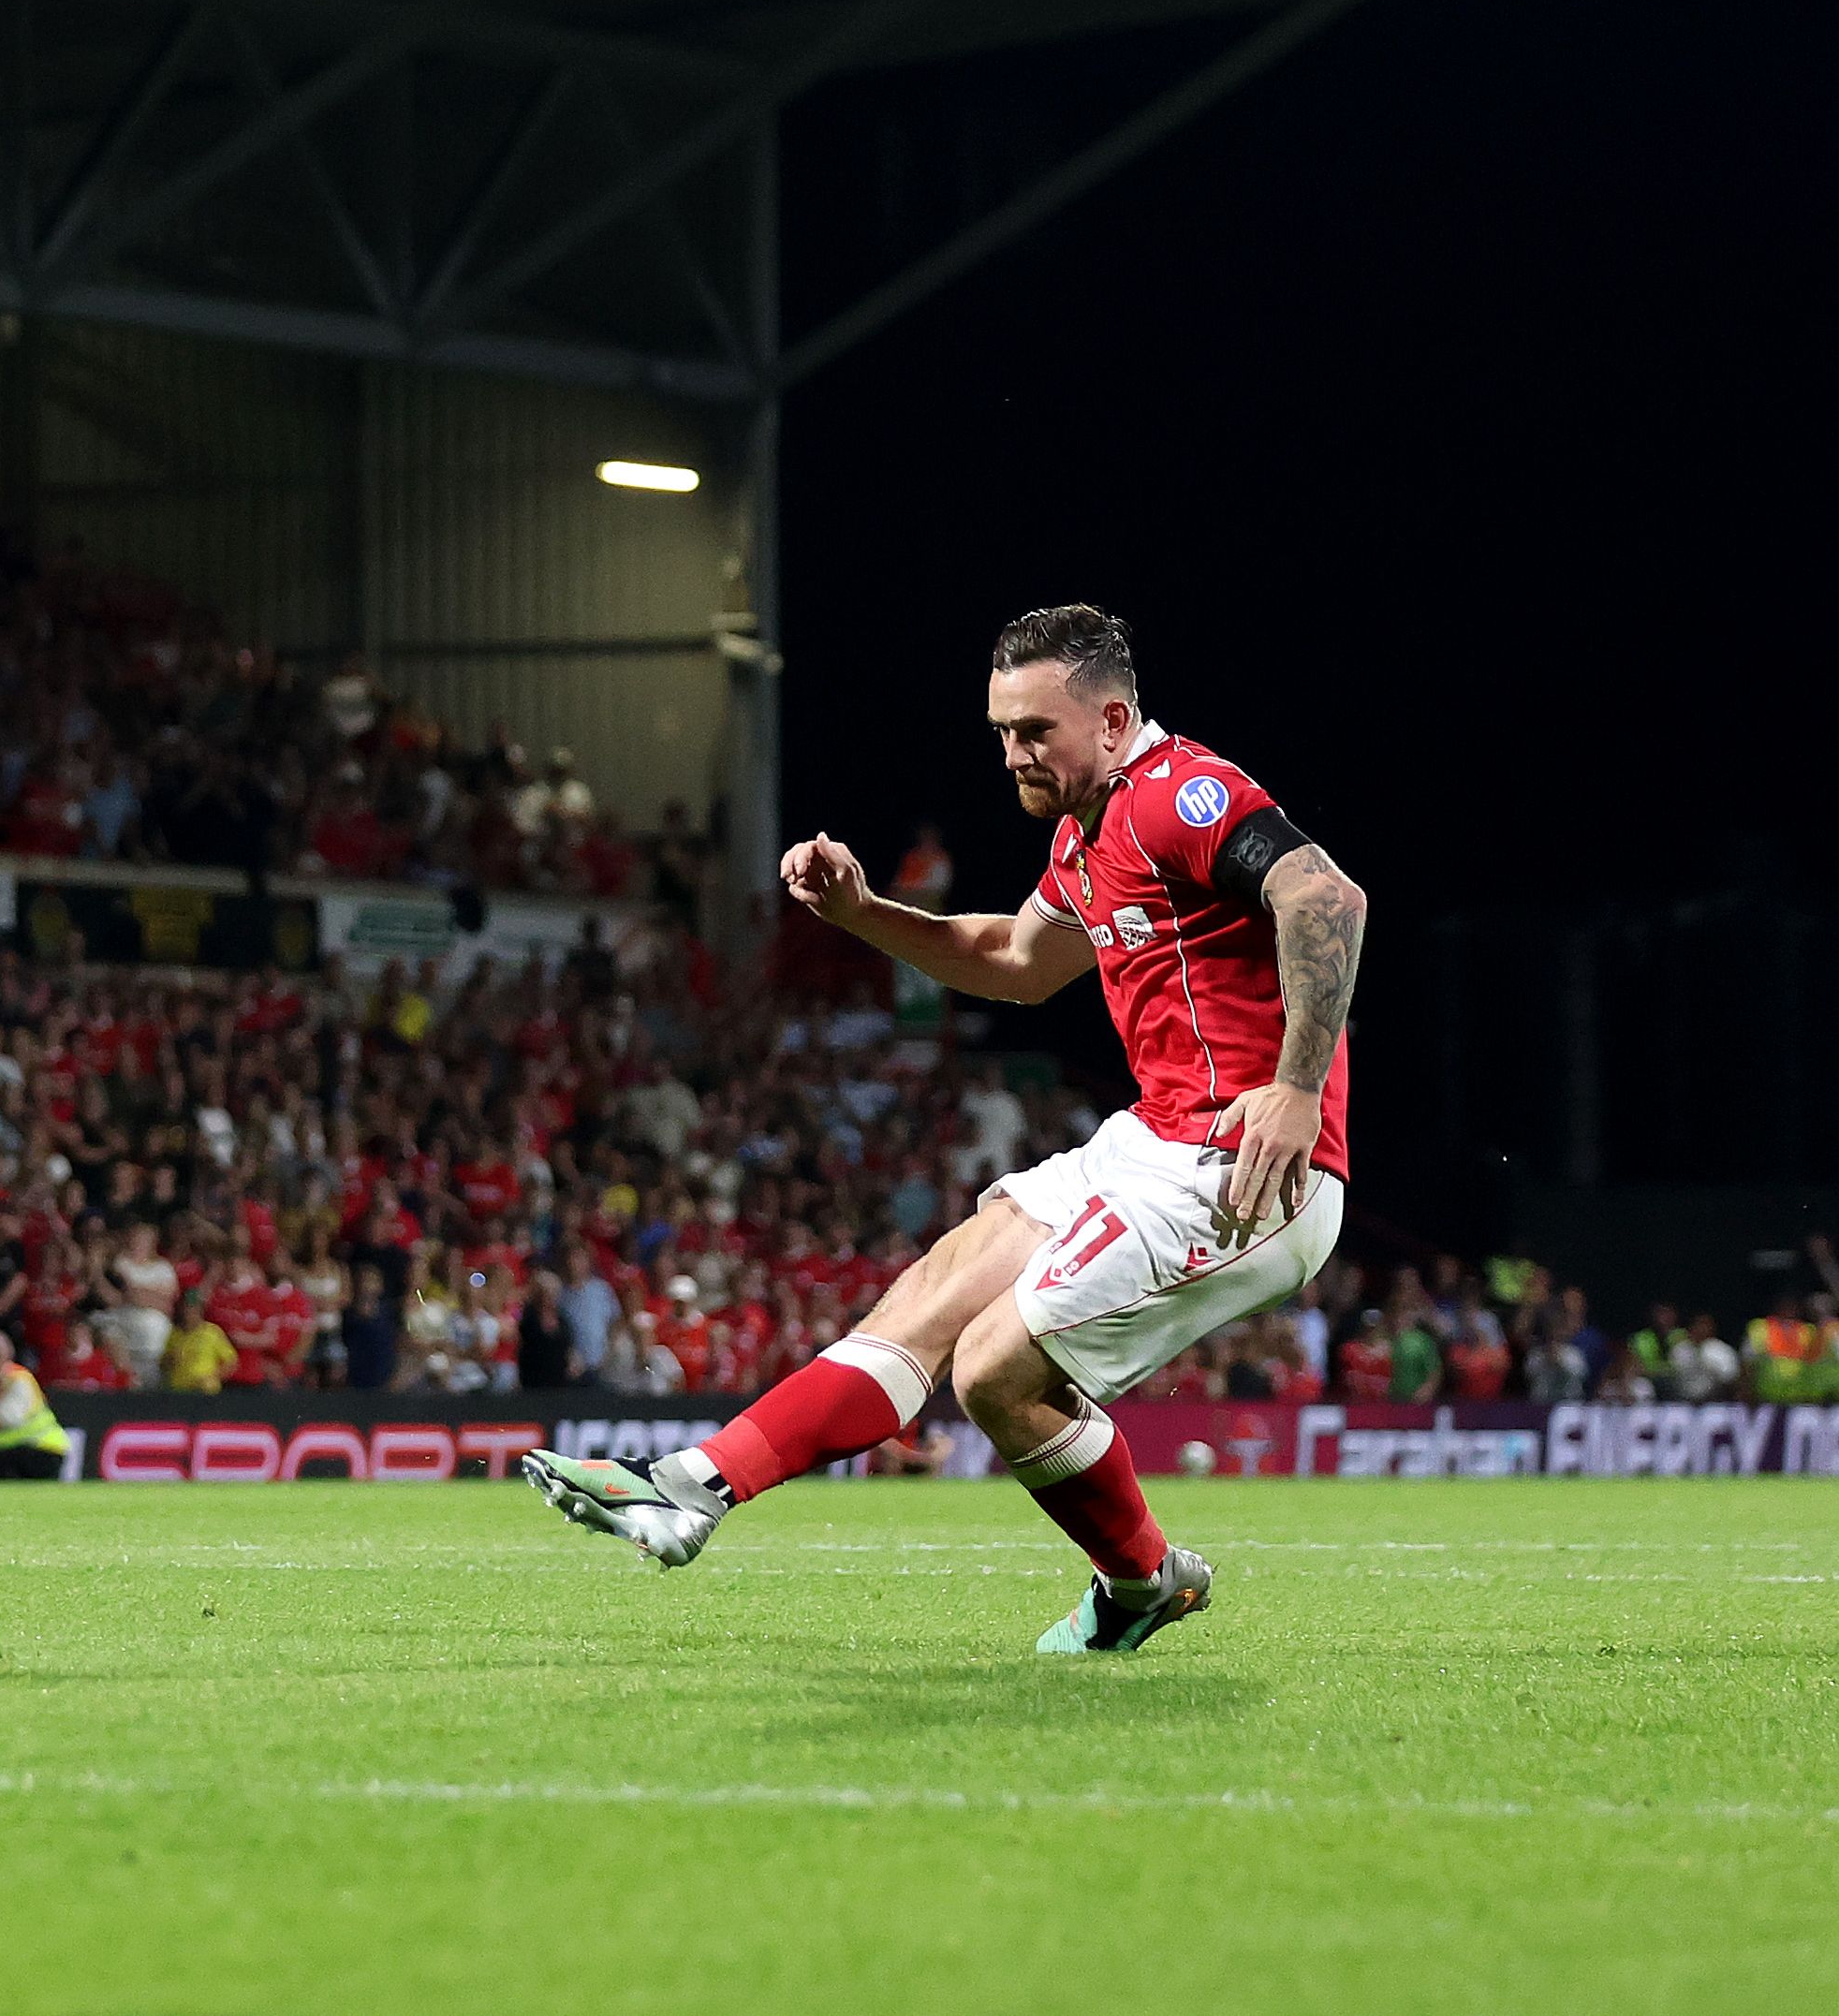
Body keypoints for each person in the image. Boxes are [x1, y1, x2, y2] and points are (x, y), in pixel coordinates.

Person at [522, 606, 1367, 1655]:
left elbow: (1322, 891)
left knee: (989, 1369)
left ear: (1110, 722)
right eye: (1000, 729)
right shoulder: (1087, 831)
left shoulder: (1174, 795)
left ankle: (1141, 1579)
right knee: (937, 1287)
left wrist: (1296, 1085)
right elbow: (1014, 959)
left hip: (1242, 1169)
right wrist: (864, 911)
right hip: (1152, 1139)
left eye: (1033, 731)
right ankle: (693, 1483)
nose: (1011, 751)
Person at [0, 1328, 69, 1480]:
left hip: (39, 1449)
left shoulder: (19, 1380)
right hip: (11, 1452)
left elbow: (0, 1419)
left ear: (8, 1353)